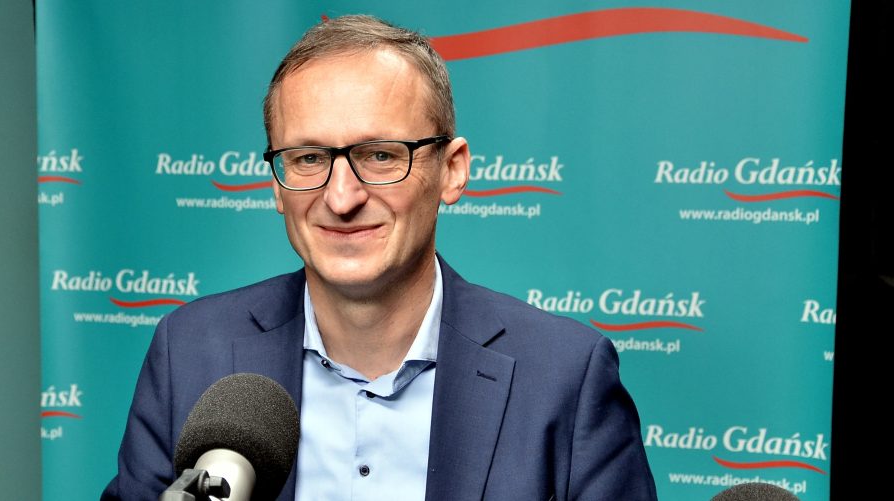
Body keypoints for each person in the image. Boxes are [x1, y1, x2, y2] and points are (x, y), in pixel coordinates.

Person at [102, 15, 657, 501]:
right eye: (309, 158)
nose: (341, 197)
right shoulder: (188, 353)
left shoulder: (565, 376)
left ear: (452, 170)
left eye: (380, 155)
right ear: (277, 184)